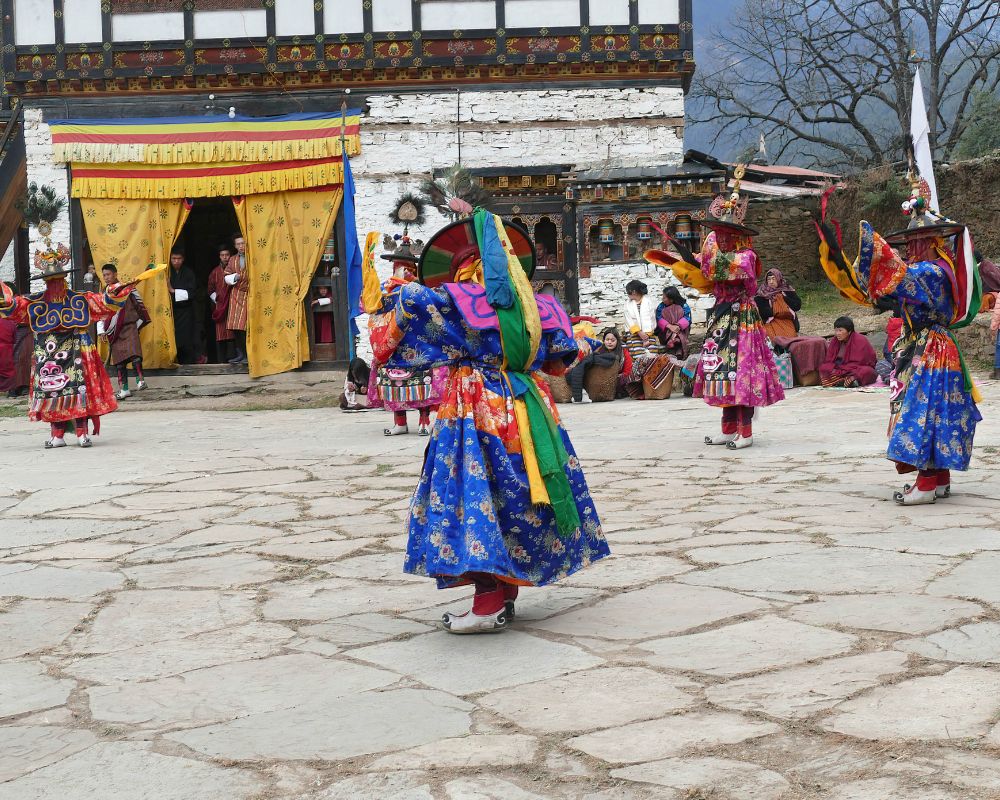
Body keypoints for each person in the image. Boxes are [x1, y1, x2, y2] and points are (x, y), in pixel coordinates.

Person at [369, 210, 609, 633]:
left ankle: (487, 602)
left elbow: (403, 311)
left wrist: (392, 284)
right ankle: (506, 592)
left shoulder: (458, 302)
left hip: (475, 407)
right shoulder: (538, 307)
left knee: (474, 492)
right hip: (529, 407)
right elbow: (561, 358)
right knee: (519, 493)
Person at [815, 177, 982, 504]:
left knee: (920, 410)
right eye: (908, 244)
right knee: (936, 410)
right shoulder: (937, 268)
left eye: (915, 242)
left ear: (931, 242)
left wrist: (871, 252)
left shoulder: (931, 271)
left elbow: (897, 278)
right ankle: (938, 479)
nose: (910, 249)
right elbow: (897, 286)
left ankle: (926, 482)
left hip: (929, 349)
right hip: (931, 345)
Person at [644, 166, 784, 448]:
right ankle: (727, 427)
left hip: (742, 319)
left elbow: (715, 269)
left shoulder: (746, 257)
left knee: (741, 372)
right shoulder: (717, 253)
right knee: (721, 371)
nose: (720, 237)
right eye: (719, 233)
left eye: (726, 233)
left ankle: (745, 432)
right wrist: (683, 261)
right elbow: (704, 267)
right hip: (721, 319)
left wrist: (699, 260)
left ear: (738, 235)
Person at [0, 245, 129, 448]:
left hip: (77, 347)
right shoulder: (36, 302)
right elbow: (15, 307)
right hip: (48, 353)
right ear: (45, 281)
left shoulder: (79, 299)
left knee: (80, 390)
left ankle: (81, 433)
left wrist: (115, 292)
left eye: (59, 279)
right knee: (53, 393)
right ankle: (57, 434)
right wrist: (5, 300)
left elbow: (103, 302)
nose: (55, 283)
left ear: (65, 279)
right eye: (51, 280)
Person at [366, 235, 445, 436]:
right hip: (395, 344)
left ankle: (423, 421)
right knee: (396, 381)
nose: (403, 269)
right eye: (401, 265)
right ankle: (404, 422)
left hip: (413, 343)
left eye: (406, 266)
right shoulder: (386, 288)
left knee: (420, 380)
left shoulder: (416, 288)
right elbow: (372, 308)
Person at [99, 264, 149, 399]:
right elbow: (101, 312)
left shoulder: (126, 288)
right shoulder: (105, 293)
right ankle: (124, 389)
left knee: (135, 354)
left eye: (108, 274)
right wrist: (101, 331)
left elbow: (138, 302)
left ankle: (140, 380)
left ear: (115, 274)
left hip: (129, 325)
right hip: (115, 330)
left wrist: (140, 320)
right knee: (120, 363)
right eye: (104, 275)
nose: (106, 277)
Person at [566, 327, 632, 403]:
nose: (609, 342)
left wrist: (613, 378)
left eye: (613, 340)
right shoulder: (599, 350)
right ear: (604, 340)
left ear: (617, 341)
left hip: (617, 382)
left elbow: (628, 372)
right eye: (607, 340)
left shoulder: (624, 353)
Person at [820, 316, 877, 387]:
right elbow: (829, 360)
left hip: (856, 368)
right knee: (824, 369)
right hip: (839, 367)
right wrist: (833, 369)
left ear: (849, 331)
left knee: (867, 371)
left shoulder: (860, 340)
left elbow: (862, 362)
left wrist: (842, 371)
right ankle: (846, 380)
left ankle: (848, 379)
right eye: (836, 330)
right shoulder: (834, 341)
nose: (837, 333)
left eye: (840, 330)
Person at [168, 248, 198, 365]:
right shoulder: (167, 273)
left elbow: (192, 293)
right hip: (172, 310)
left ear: (183, 259)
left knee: (186, 338)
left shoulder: (188, 273)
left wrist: (173, 290)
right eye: (174, 259)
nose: (176, 261)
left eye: (179, 259)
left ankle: (189, 364)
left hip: (186, 311)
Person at [206, 243, 234, 363]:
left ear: (230, 256)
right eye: (222, 255)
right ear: (219, 256)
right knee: (220, 334)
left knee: (233, 332)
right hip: (220, 307)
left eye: (227, 255)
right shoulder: (215, 272)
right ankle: (221, 361)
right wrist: (217, 300)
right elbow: (210, 289)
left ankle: (234, 359)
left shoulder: (235, 269)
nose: (225, 257)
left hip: (233, 304)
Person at [755, 268, 801, 339]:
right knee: (774, 338)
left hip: (787, 320)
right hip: (771, 322)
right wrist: (778, 309)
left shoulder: (787, 290)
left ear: (779, 279)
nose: (771, 282)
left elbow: (797, 306)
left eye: (774, 279)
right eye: (769, 279)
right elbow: (762, 312)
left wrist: (784, 298)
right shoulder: (762, 294)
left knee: (790, 338)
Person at [225, 235, 249, 366]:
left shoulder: (252, 258)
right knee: (235, 325)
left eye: (243, 243)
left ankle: (248, 354)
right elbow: (226, 275)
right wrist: (235, 277)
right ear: (235, 246)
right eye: (238, 244)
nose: (241, 246)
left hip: (249, 294)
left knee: (245, 326)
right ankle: (240, 354)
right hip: (236, 293)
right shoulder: (232, 259)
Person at [655, 285, 691, 359]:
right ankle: (673, 342)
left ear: (671, 299)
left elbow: (687, 318)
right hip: (666, 330)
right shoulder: (661, 306)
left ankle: (676, 342)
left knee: (679, 315)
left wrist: (678, 326)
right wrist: (670, 326)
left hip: (680, 329)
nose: (662, 299)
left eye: (664, 297)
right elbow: (659, 318)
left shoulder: (683, 305)